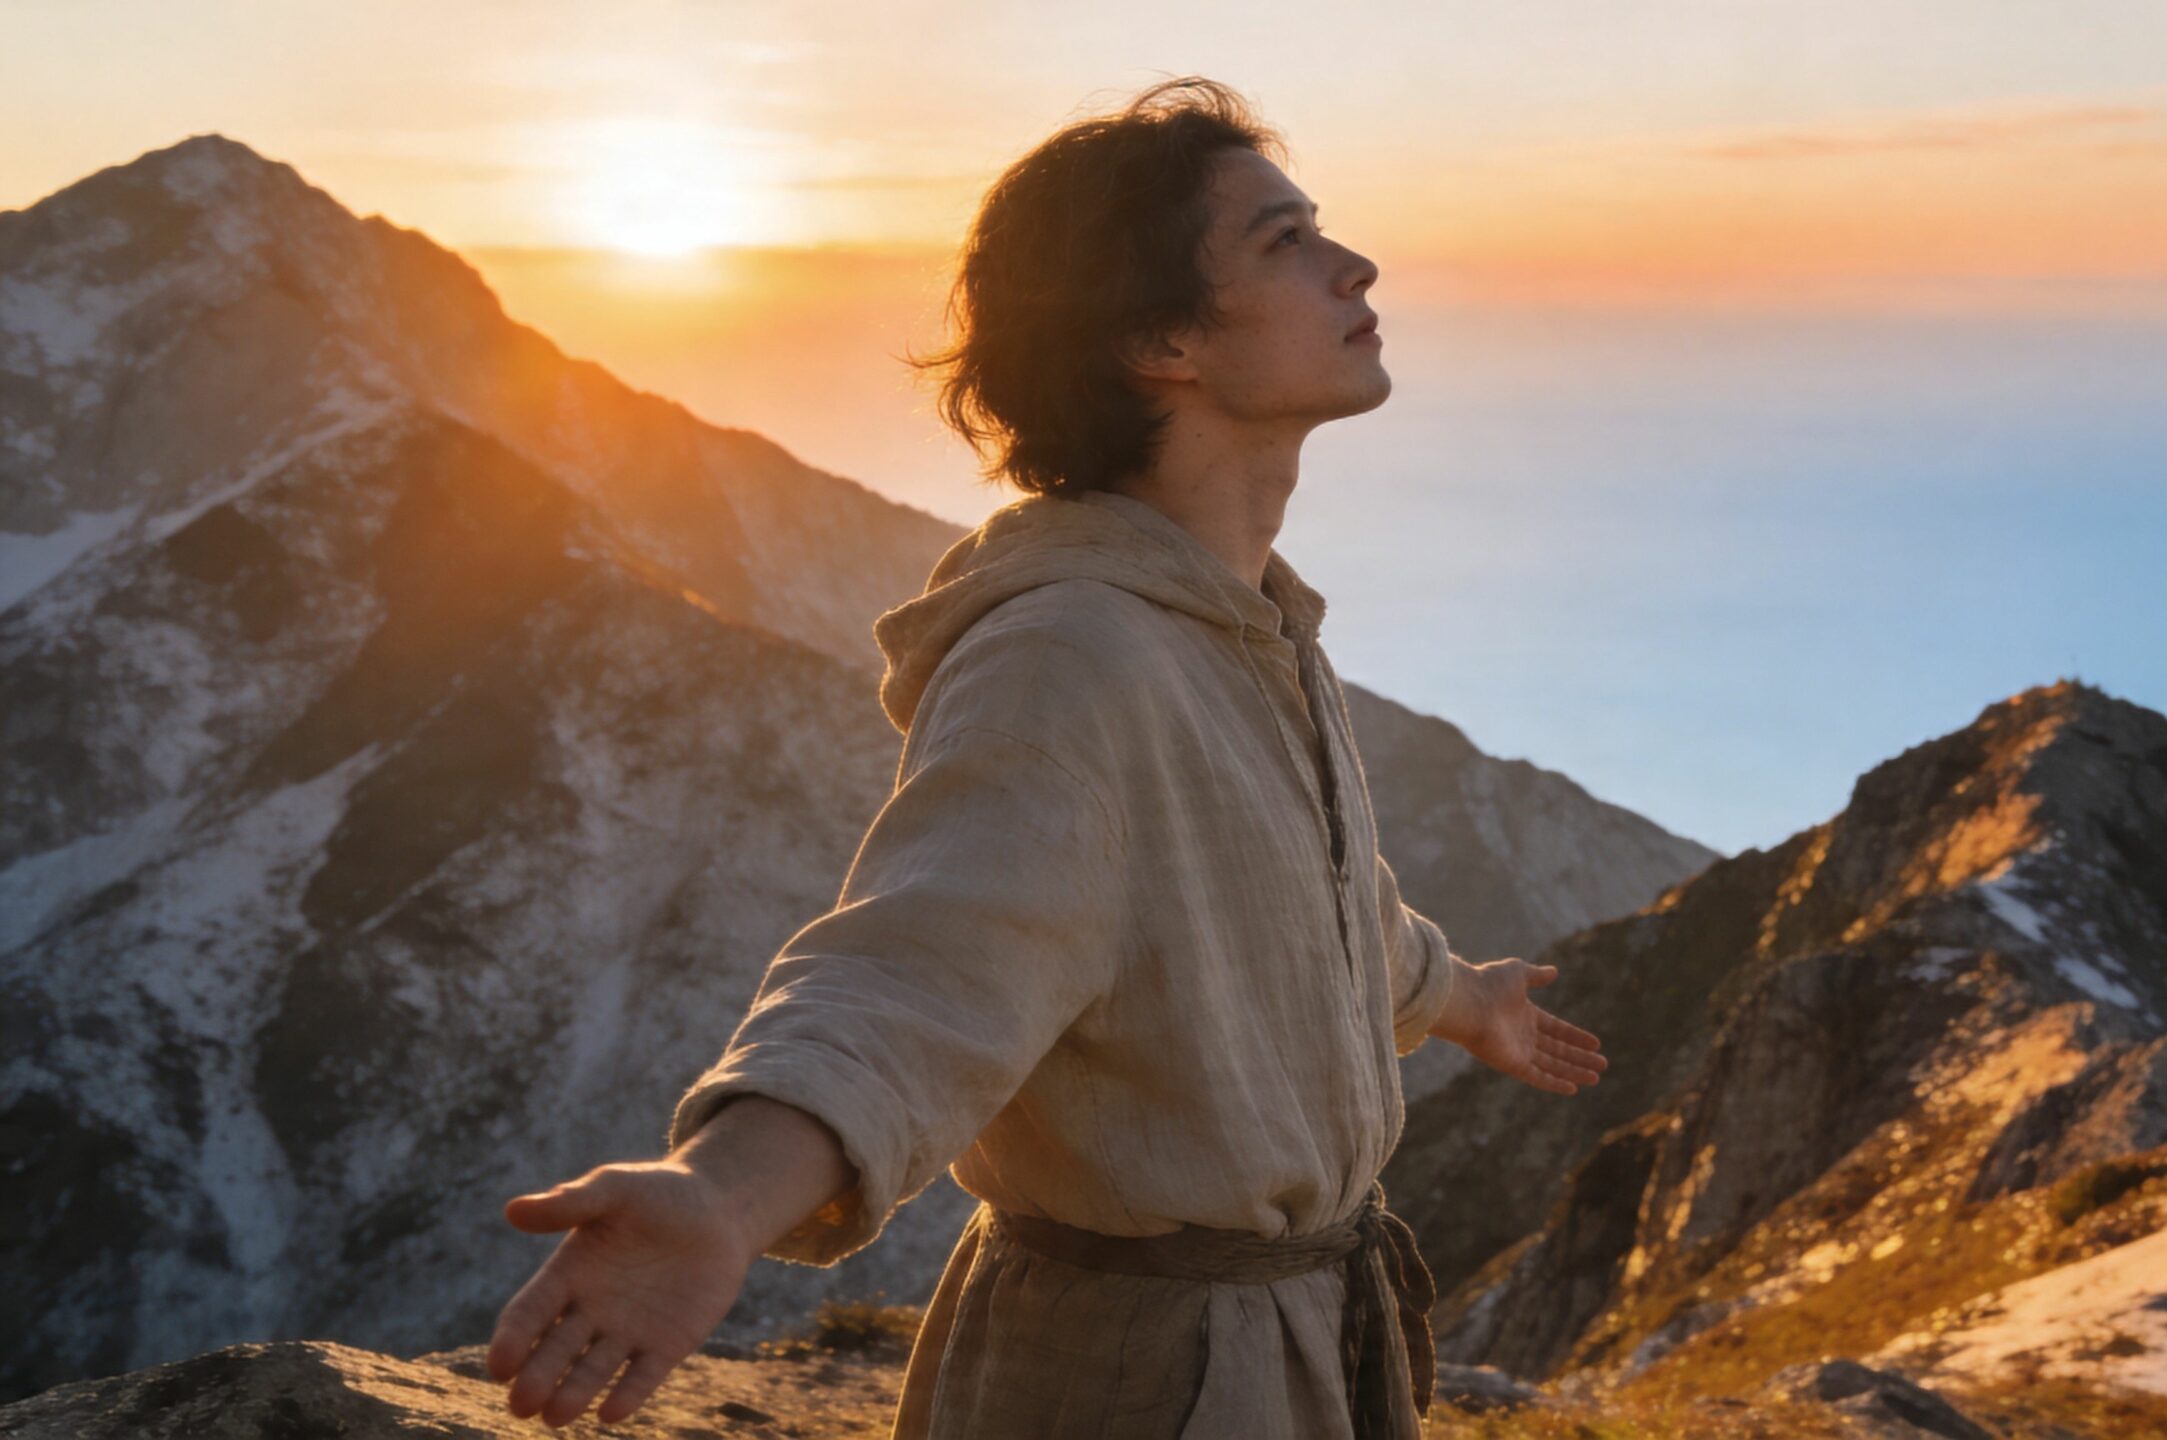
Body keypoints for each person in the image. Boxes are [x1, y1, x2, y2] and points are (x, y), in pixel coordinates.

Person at [484, 75, 1607, 1437]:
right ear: (1160, 341)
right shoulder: (1071, 655)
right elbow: (919, 968)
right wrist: (720, 1193)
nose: (1352, 263)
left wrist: (1461, 997)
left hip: (1278, 1351)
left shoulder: (1241, 622)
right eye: (1286, 240)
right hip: (1151, 1385)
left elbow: (1298, 903)